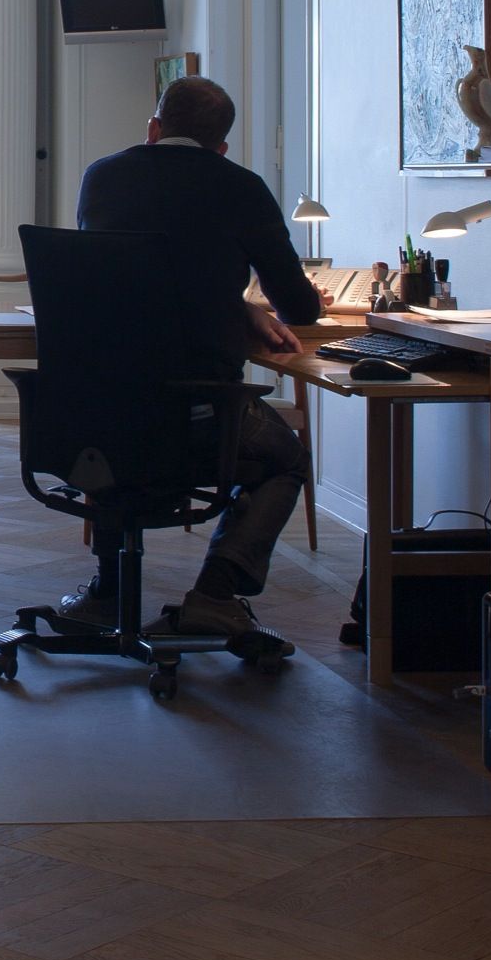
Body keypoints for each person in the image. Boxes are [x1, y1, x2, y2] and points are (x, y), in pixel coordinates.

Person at [71, 73, 323, 644]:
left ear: (154, 128)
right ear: (222, 147)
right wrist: (248, 308)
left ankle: (108, 588)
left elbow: (134, 281)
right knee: (286, 457)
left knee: (124, 430)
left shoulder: (102, 177)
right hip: (201, 415)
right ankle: (215, 595)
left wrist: (237, 307)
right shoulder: (241, 187)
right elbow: (300, 308)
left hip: (99, 411)